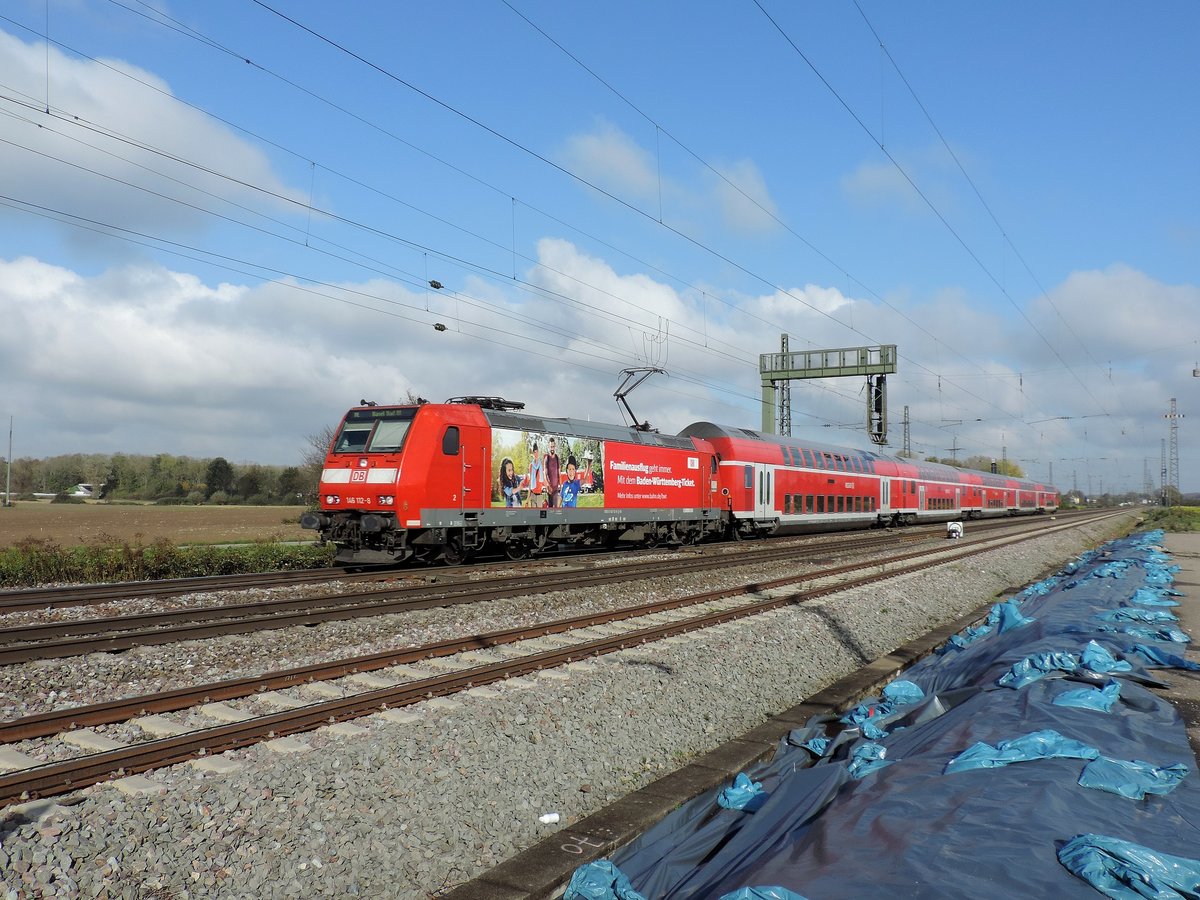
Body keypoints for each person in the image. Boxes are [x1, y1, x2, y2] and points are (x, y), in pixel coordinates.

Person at [527, 439, 546, 508]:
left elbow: (544, 479)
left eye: (537, 452)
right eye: (534, 452)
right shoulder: (531, 466)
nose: (536, 454)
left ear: (538, 452)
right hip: (533, 494)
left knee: (539, 516)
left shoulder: (541, 465)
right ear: (533, 454)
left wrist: (548, 488)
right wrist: (528, 497)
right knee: (533, 515)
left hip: (540, 494)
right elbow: (530, 482)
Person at [545, 437, 561, 508]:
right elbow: (545, 474)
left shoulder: (557, 458)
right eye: (551, 446)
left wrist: (560, 485)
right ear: (549, 447)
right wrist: (548, 486)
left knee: (556, 508)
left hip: (556, 489)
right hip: (549, 490)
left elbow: (559, 473)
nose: (552, 448)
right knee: (550, 509)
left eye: (553, 446)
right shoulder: (547, 458)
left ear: (555, 447)